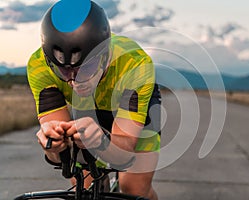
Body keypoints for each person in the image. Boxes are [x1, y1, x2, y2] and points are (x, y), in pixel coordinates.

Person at [27, 1, 161, 200]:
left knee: (134, 189)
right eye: (63, 70)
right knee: (85, 188)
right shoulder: (39, 65)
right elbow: (58, 154)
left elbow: (123, 155)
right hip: (87, 109)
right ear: (50, 60)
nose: (74, 82)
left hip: (132, 111)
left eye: (86, 69)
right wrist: (53, 146)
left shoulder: (136, 64)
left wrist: (100, 142)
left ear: (105, 56)